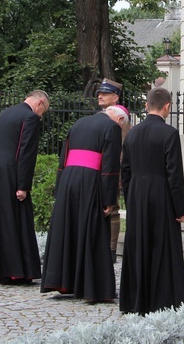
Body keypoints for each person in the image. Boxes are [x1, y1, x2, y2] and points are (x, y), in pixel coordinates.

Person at [40, 105, 128, 301]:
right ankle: (92, 287)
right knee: (92, 231)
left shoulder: (79, 123)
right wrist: (109, 199)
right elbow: (109, 166)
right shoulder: (112, 128)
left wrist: (60, 186)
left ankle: (65, 281)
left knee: (69, 229)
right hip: (91, 181)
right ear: (120, 120)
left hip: (69, 180)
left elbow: (63, 157)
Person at [119, 87, 184, 315]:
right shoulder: (169, 134)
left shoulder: (132, 133)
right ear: (167, 106)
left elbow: (125, 171)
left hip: (137, 194)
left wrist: (131, 199)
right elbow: (174, 174)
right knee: (162, 246)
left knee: (138, 244)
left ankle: (135, 299)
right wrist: (181, 208)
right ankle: (164, 299)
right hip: (161, 195)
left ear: (148, 105)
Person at [0, 90, 49, 285]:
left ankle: (0, 271)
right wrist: (23, 185)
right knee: (15, 218)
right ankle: (17, 272)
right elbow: (27, 153)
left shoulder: (4, 113)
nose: (41, 115)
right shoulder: (30, 117)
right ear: (40, 103)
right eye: (43, 111)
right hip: (11, 171)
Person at [96, 78, 128, 264]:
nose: (100, 96)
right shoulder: (108, 115)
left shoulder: (118, 116)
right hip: (104, 166)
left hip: (113, 168)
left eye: (105, 93)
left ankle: (111, 249)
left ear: (115, 97)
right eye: (100, 93)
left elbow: (118, 148)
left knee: (113, 209)